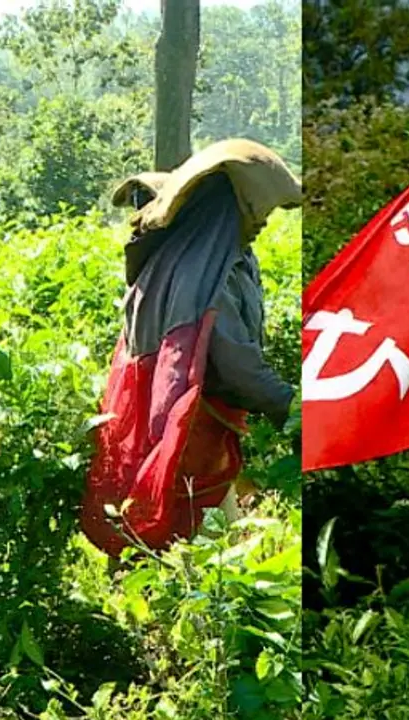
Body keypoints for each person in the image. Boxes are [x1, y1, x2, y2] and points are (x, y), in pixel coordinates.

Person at [82, 139, 300, 558]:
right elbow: (238, 369)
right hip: (193, 434)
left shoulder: (182, 262)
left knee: (174, 538)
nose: (265, 223)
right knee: (200, 549)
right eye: (258, 212)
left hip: (181, 431)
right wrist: (293, 410)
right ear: (229, 210)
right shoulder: (207, 278)